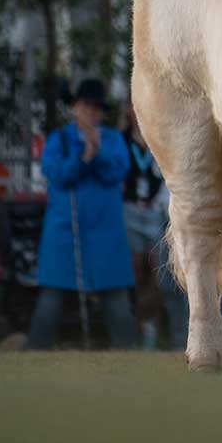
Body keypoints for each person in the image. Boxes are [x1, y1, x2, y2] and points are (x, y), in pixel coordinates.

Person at [28, 78, 136, 350]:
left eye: (97, 107)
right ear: (75, 107)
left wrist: (97, 154)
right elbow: (57, 176)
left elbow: (118, 172)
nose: (92, 111)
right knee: (50, 302)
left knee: (117, 303)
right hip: (66, 231)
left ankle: (130, 357)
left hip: (105, 231)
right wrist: (84, 158)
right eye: (86, 105)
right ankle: (35, 355)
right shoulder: (59, 139)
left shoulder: (112, 139)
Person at [118, 98, 172, 347]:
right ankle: (135, 330)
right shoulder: (120, 140)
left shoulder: (159, 138)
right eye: (132, 104)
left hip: (155, 213)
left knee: (158, 274)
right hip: (129, 212)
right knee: (135, 272)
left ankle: (153, 329)